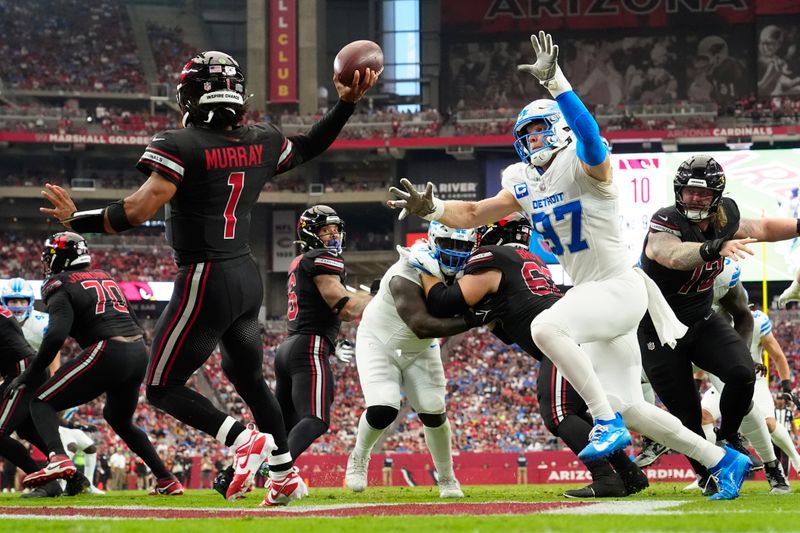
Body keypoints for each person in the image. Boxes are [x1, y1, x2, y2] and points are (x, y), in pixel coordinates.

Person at [389, 30, 750, 500]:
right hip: (597, 294)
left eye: (541, 130)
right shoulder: (524, 182)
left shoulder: (583, 164)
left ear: (558, 129)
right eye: (527, 135)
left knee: (545, 329)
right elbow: (475, 214)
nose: (534, 140)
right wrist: (432, 210)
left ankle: (603, 422)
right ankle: (722, 460)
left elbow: (591, 137)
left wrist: (557, 82)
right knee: (631, 406)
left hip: (616, 286)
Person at [39, 50, 378, 506]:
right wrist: (344, 105)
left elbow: (137, 210)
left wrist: (77, 220)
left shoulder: (180, 144)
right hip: (246, 276)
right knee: (248, 379)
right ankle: (283, 476)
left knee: (162, 387)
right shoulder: (261, 139)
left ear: (191, 96)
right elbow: (310, 144)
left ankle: (243, 441)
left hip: (205, 275)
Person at [412, 215, 649, 499]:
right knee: (576, 413)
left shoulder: (493, 257)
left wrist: (426, 270)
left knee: (558, 414)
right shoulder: (529, 260)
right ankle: (629, 473)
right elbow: (512, 332)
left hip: (563, 339)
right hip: (574, 337)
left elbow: (442, 302)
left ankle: (605, 477)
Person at [638, 154, 800, 495]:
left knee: (742, 373)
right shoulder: (666, 220)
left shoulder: (725, 216)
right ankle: (711, 477)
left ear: (716, 195)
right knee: (686, 414)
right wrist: (715, 247)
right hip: (660, 327)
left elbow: (763, 229)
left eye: (702, 193)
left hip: (700, 318)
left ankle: (728, 437)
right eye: (688, 191)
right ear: (678, 191)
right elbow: (669, 254)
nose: (694, 198)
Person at [6, 232, 183, 496]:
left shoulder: (59, 283)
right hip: (137, 351)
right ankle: (166, 479)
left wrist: (31, 374)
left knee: (40, 400)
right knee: (119, 419)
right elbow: (132, 320)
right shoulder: (105, 276)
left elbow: (55, 335)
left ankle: (58, 458)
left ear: (60, 259)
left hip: (107, 350)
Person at [344, 221, 479, 498]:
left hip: (420, 348)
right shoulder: (404, 272)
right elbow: (421, 324)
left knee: (434, 410)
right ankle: (359, 456)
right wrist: (475, 318)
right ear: (431, 241)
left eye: (461, 246)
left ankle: (447, 478)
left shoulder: (468, 271)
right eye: (449, 244)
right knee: (384, 406)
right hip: (379, 342)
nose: (455, 252)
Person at [274, 205, 371, 464]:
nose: (333, 235)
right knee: (316, 419)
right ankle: (276, 470)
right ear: (310, 234)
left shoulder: (300, 262)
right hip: (308, 346)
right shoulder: (322, 258)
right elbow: (345, 308)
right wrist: (376, 297)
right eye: (325, 230)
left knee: (282, 428)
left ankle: (241, 473)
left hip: (289, 348)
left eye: (335, 229)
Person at [1, 278, 61, 375]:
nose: (18, 306)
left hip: (36, 376)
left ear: (30, 301)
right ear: (4, 302)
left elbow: (53, 358)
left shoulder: (43, 322)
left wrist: (52, 381)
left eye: (22, 301)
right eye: (13, 301)